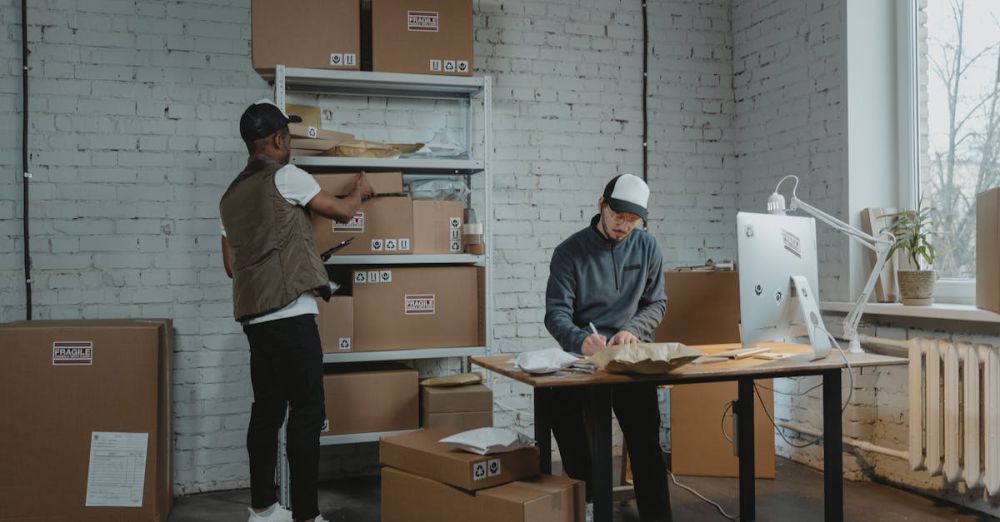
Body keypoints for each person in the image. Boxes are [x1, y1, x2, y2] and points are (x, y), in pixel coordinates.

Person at [220, 100, 374, 522]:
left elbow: (232, 265)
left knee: (266, 414)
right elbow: (342, 210)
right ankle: (307, 516)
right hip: (291, 316)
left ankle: (263, 511)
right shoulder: (287, 176)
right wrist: (359, 190)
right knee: (307, 415)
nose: (289, 143)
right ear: (276, 140)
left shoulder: (229, 196)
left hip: (254, 321)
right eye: (286, 137)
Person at [543, 173, 671, 522]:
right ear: (601, 205)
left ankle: (658, 517)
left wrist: (632, 329)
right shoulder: (569, 252)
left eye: (632, 220)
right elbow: (555, 314)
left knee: (646, 442)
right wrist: (580, 339)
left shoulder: (647, 247)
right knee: (560, 413)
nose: (624, 226)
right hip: (585, 358)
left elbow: (656, 303)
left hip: (629, 358)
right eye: (618, 217)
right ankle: (591, 499)